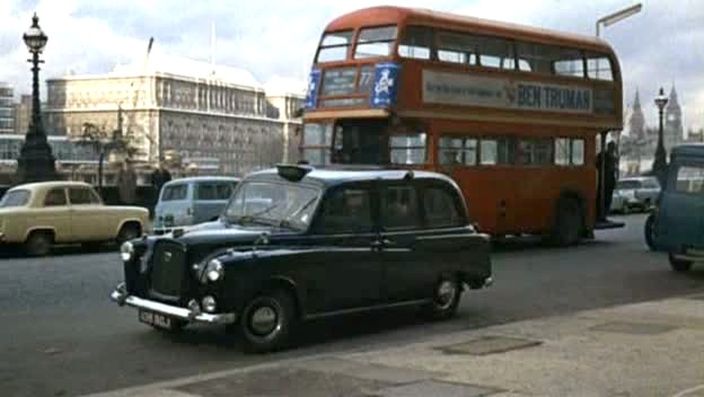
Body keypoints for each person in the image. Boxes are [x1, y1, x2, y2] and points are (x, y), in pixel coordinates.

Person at [596, 141, 618, 220]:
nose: (612, 149)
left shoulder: (611, 157)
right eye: (612, 147)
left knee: (607, 199)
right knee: (604, 199)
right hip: (605, 181)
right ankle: (601, 215)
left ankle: (603, 215)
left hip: (608, 181)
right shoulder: (604, 156)